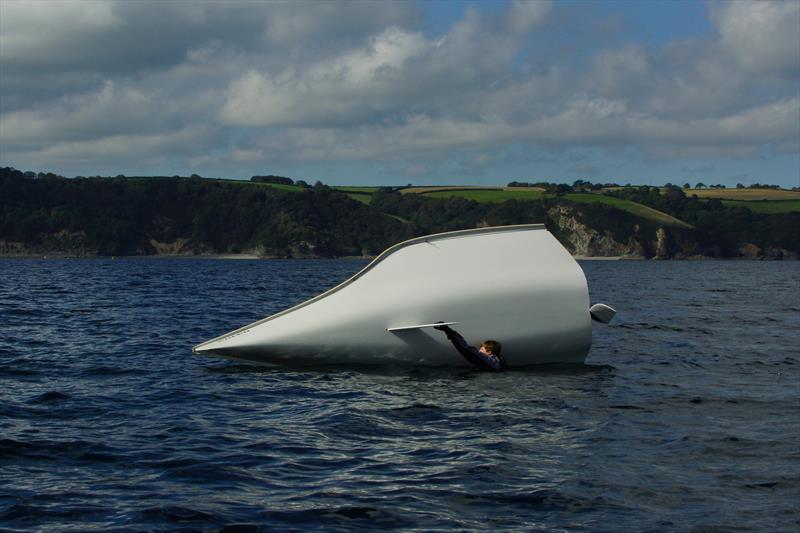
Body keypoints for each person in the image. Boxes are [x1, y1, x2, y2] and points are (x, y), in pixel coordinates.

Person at [434, 323, 506, 371]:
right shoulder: (499, 360)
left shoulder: (488, 360)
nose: (479, 351)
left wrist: (448, 330)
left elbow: (466, 349)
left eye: (481, 349)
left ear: (489, 352)